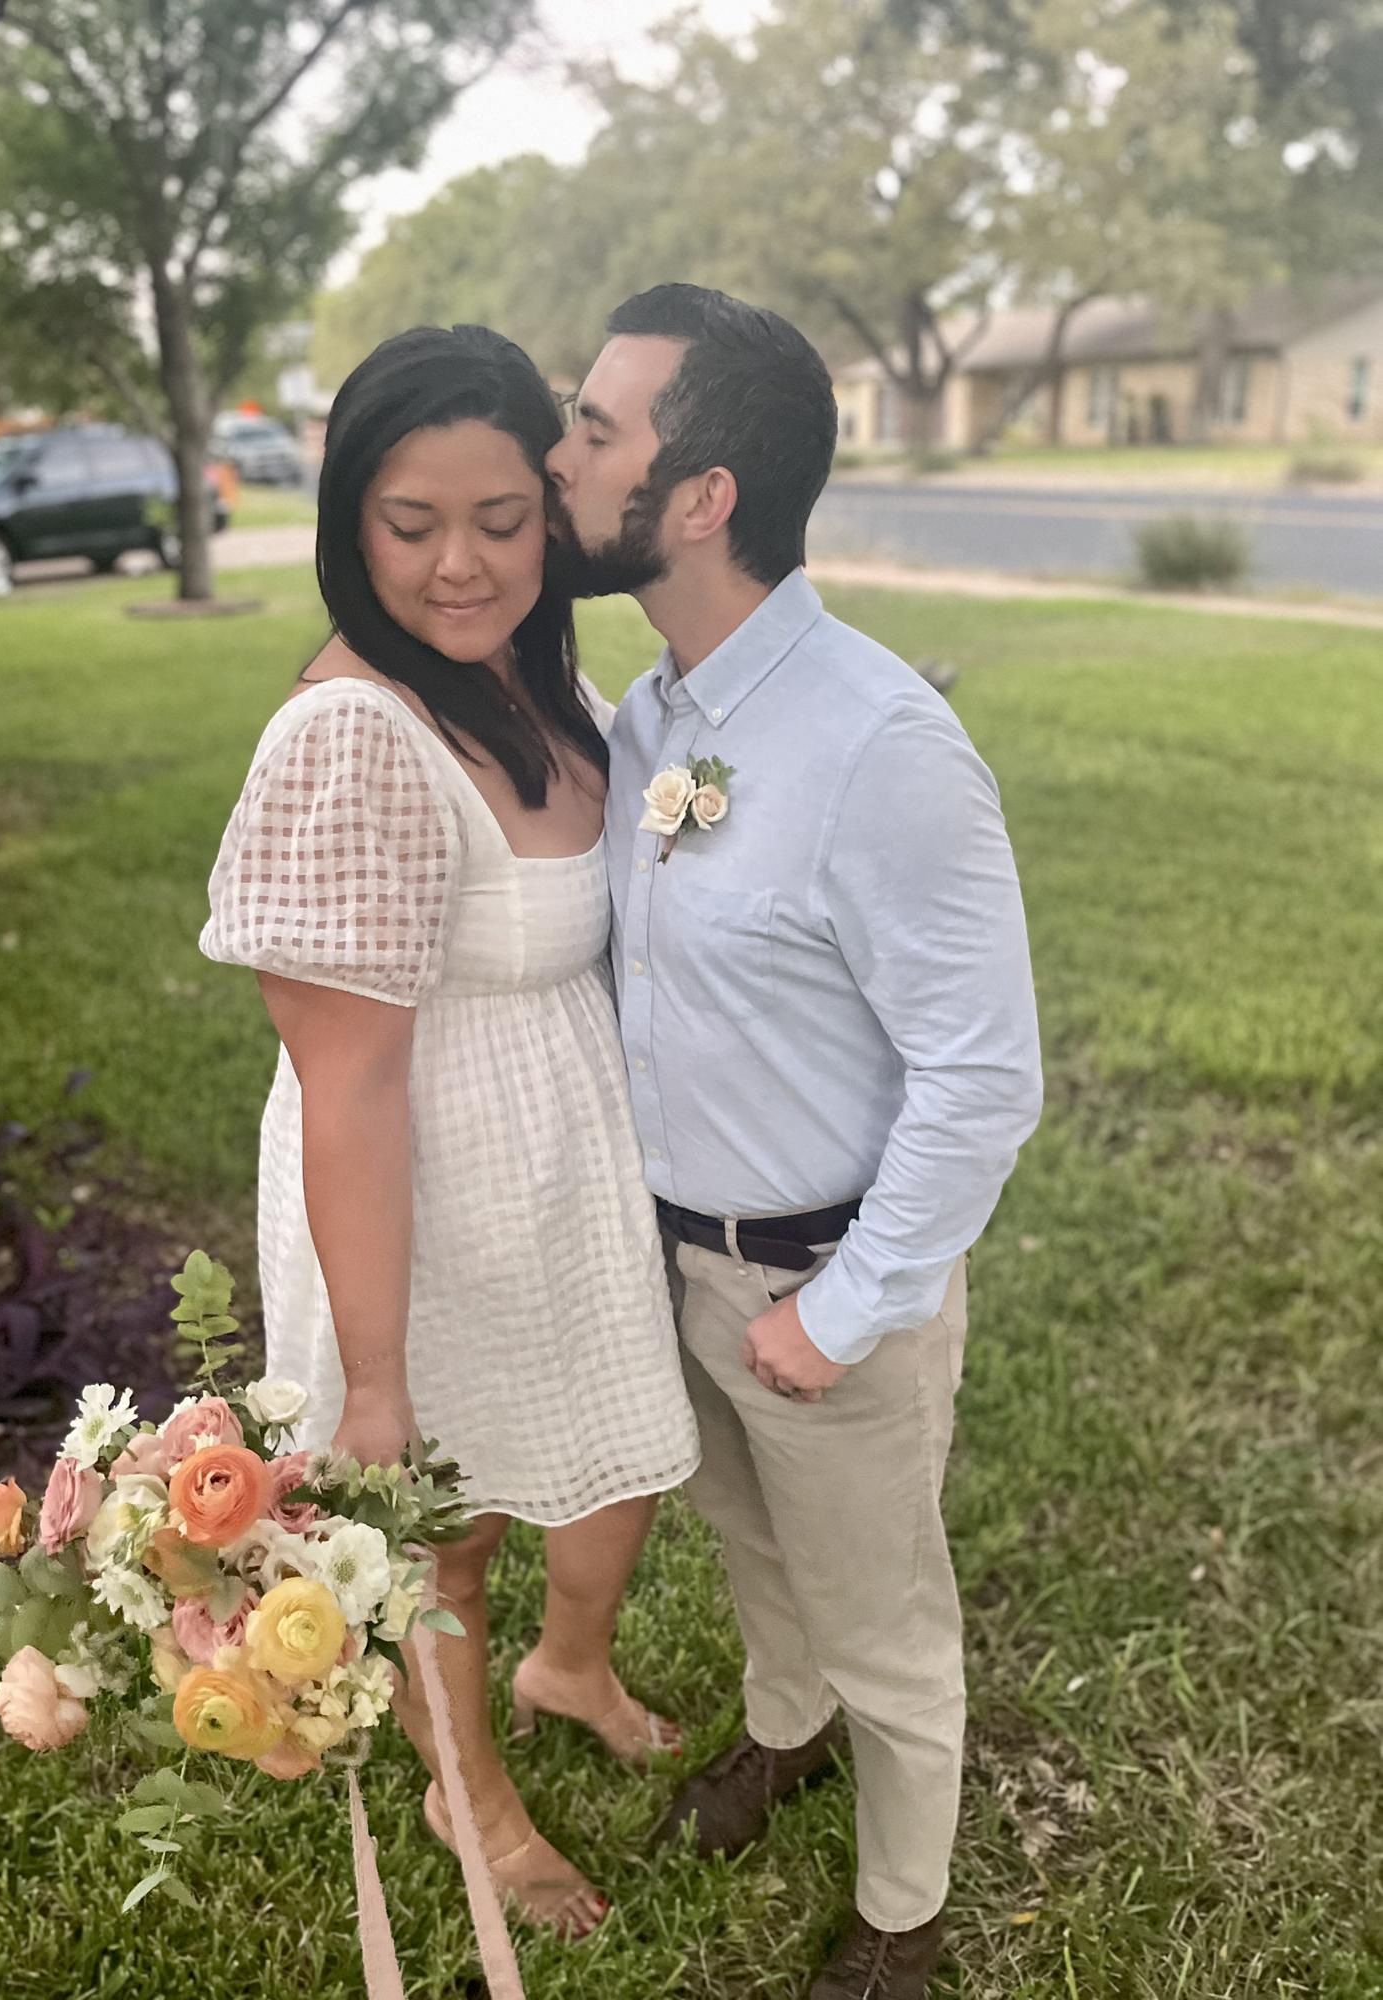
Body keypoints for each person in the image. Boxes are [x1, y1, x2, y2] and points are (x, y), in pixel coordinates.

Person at [545, 285, 1043, 1998]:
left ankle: (903, 1910)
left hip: (830, 1285)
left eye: (592, 430)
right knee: (759, 1557)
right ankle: (785, 1732)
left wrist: (840, 1311)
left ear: (702, 498)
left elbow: (984, 1078)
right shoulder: (650, 715)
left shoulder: (880, 745)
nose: (558, 457)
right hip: (679, 1261)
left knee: (884, 1618)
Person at [200, 324, 700, 1937]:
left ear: (551, 516)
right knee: (451, 1529)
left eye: (501, 519)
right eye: (411, 525)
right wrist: (378, 1376)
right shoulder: (352, 735)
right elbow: (346, 1083)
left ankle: (569, 1669)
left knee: (611, 1462)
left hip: (563, 1164)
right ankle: (468, 1798)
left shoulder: (538, 681)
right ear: (351, 521)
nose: (460, 564)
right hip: (419, 1189)